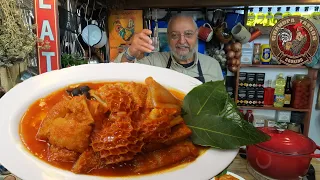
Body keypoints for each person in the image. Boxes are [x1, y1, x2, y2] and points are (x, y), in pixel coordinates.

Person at [114, 14, 224, 83]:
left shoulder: (212, 66)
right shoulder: (154, 62)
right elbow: (119, 75)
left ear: (196, 36)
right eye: (175, 35)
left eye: (188, 34)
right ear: (168, 38)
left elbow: (221, 106)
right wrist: (131, 53)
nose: (181, 41)